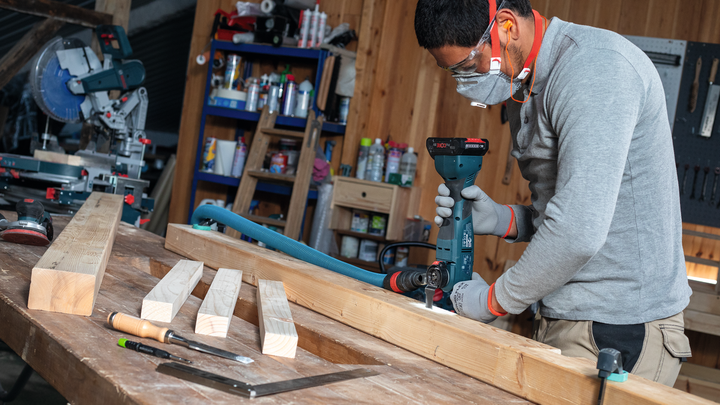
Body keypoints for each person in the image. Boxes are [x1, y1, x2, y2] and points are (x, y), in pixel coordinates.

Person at [414, 0, 692, 386]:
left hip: (618, 329)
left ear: (506, 26)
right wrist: (502, 219)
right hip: (567, 315)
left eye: (468, 65)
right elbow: (567, 207)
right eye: (454, 72)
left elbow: (578, 232)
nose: (466, 81)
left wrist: (491, 301)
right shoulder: (525, 83)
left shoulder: (595, 71)